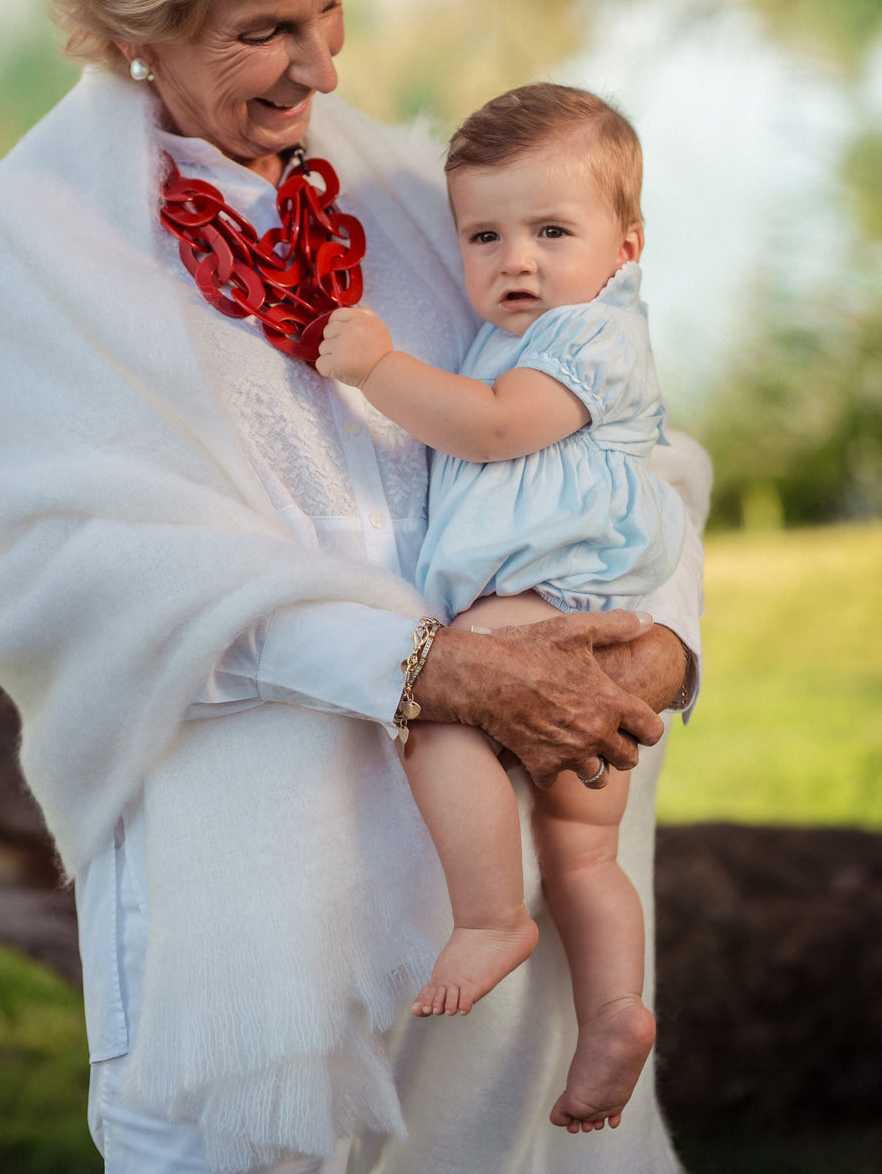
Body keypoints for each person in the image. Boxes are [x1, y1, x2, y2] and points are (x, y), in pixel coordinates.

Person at [0, 0, 708, 1174]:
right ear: (135, 30)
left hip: (503, 880)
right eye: (264, 31)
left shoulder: (426, 192)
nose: (324, 67)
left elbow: (630, 447)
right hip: (257, 906)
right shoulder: (32, 238)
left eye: (329, 6)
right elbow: (80, 571)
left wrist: (658, 651)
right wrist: (432, 668)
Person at [316, 82, 686, 1135]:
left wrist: (380, 368)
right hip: (591, 624)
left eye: (550, 231)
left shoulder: (585, 338)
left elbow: (488, 430)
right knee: (581, 852)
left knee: (435, 715)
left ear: (627, 244)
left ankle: (486, 918)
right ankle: (615, 1010)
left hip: (542, 606)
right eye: (485, 234)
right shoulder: (538, 328)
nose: (514, 259)